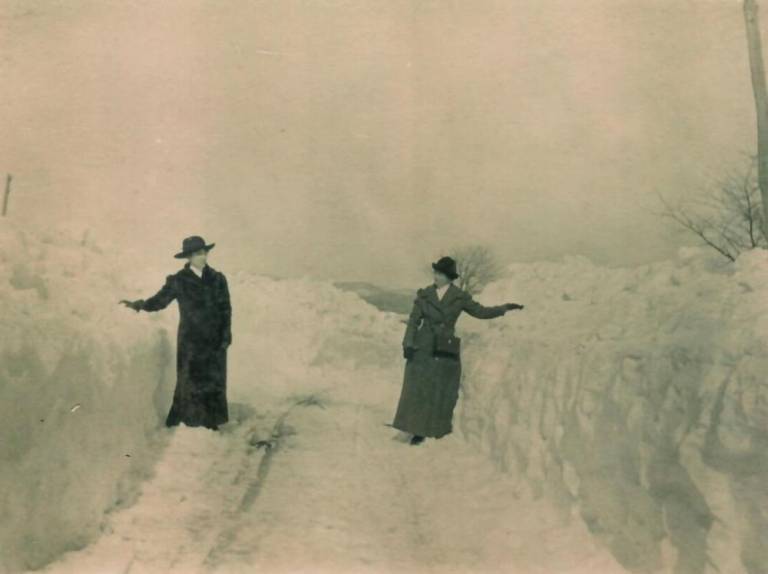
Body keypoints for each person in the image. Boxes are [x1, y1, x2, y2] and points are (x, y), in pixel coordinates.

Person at [392, 256, 523, 445]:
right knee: (417, 388)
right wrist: (408, 343)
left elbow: (481, 312)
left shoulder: (460, 297)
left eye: (439, 274)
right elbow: (413, 321)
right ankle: (415, 429)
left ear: (448, 277)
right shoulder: (425, 295)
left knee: (440, 389)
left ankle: (434, 428)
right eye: (435, 273)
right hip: (423, 346)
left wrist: (504, 308)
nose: (435, 277)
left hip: (444, 347)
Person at [120, 236, 232, 430]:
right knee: (190, 379)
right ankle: (189, 421)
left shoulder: (218, 278)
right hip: (191, 339)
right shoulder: (179, 280)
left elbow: (226, 309)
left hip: (214, 340)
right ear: (188, 257)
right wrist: (140, 305)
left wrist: (225, 335)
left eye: (204, 252)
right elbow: (160, 300)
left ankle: (210, 421)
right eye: (197, 254)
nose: (202, 256)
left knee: (214, 379)